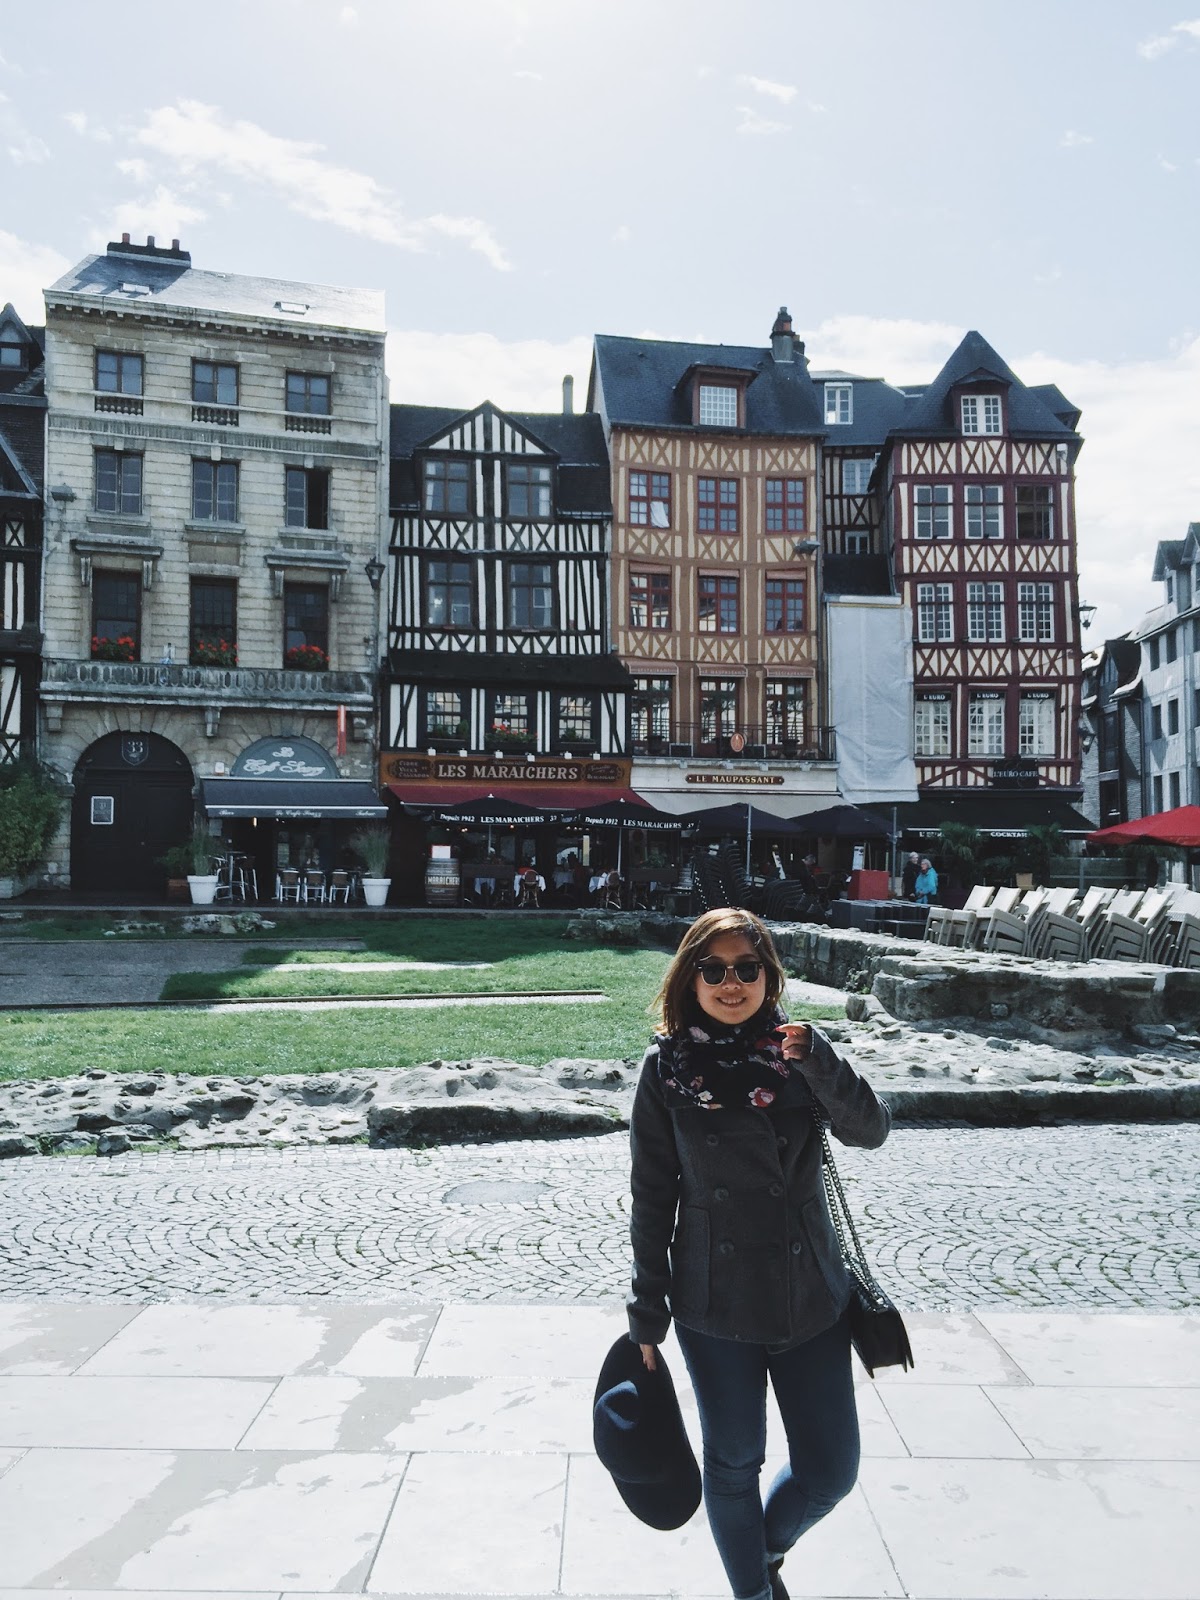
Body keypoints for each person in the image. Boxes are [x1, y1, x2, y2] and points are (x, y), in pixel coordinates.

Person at [627, 908, 890, 1600]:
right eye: (712, 969)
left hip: (810, 1290)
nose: (731, 983)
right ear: (690, 979)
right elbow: (652, 1195)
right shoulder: (665, 1069)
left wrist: (822, 1060)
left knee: (831, 1471)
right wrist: (646, 1312)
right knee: (734, 1462)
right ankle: (753, 1590)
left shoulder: (798, 1055)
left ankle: (759, 1552)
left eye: (747, 967)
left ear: (769, 976)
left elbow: (871, 1130)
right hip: (715, 1297)